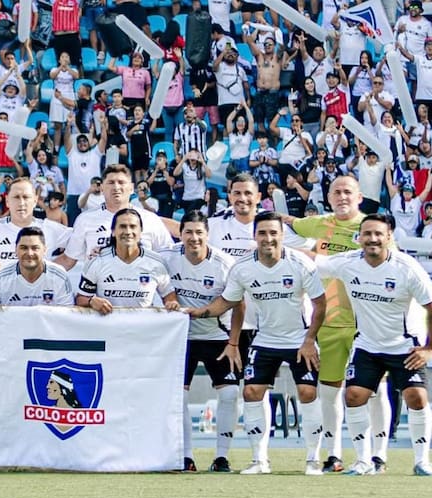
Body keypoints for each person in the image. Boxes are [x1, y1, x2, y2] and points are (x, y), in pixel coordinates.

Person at [185, 211, 327, 475]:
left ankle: (312, 458)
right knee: (251, 393)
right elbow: (227, 301)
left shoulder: (300, 264)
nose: (268, 238)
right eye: (262, 233)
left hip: (299, 338)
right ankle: (259, 460)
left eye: (274, 233)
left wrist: (309, 340)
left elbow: (320, 304)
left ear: (282, 236)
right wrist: (199, 311)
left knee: (307, 393)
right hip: (265, 339)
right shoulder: (243, 267)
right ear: (254, 236)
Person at [286, 175, 397, 473]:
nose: (342, 196)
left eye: (348, 191)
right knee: (330, 390)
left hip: (368, 325)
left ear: (359, 196)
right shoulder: (318, 223)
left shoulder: (372, 229)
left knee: (373, 391)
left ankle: (379, 454)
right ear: (329, 196)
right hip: (331, 323)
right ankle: (333, 454)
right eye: (336, 192)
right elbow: (287, 225)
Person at [315, 214, 432, 475]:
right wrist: (280, 248)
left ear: (389, 237)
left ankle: (422, 461)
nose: (372, 239)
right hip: (367, 345)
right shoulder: (348, 263)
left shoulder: (407, 268)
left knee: (417, 397)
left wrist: (427, 348)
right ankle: (363, 461)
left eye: (378, 234)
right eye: (367, 234)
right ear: (359, 238)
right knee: (354, 396)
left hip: (404, 345)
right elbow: (315, 262)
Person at [161, 211, 242, 473]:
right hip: (180, 337)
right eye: (188, 232)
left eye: (199, 232)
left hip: (216, 335)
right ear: (180, 233)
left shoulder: (224, 263)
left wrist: (233, 342)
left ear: (207, 234)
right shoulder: (166, 257)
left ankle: (221, 457)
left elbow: (238, 303)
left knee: (229, 394)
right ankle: (185, 456)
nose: (194, 238)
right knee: (178, 397)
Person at [55, 164, 174, 271]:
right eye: (111, 183)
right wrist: (39, 272)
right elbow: (68, 260)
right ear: (102, 188)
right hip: (97, 292)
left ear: (132, 188)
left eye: (121, 182)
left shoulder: (150, 219)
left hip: (140, 289)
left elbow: (169, 257)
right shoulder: (85, 219)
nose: (116, 187)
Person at [76, 208, 175, 314]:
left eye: (133, 227)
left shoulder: (156, 263)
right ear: (113, 231)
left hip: (144, 327)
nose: (128, 232)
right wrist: (91, 301)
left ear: (141, 231)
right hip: (108, 327)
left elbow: (169, 297)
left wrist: (172, 304)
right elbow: (80, 299)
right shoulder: (97, 261)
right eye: (122, 226)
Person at [0, 178, 71, 266]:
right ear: (7, 201)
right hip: (3, 290)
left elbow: (81, 242)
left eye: (26, 197)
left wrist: (52, 270)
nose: (21, 203)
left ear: (35, 201)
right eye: (16, 197)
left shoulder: (50, 229)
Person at [0, 226, 74, 305]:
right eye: (24, 248)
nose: (29, 253)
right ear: (16, 250)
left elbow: (67, 314)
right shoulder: (2, 276)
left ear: (45, 250)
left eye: (35, 248)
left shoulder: (59, 276)